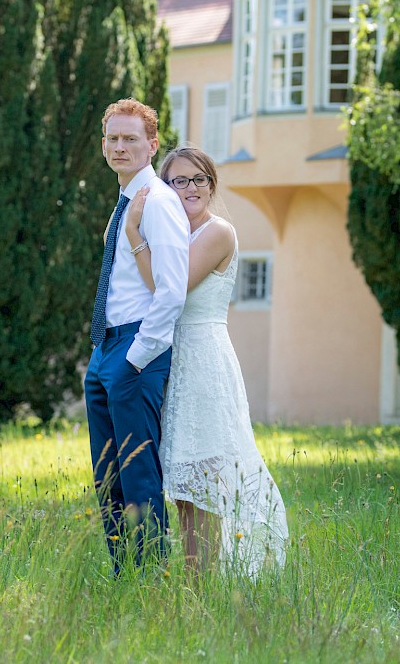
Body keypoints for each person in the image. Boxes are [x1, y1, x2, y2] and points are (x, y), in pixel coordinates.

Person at [124, 145, 289, 577]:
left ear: (211, 186)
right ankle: (192, 580)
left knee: (203, 480)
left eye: (200, 179)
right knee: (180, 481)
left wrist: (135, 237)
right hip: (173, 361)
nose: (191, 188)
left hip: (203, 360)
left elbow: (167, 291)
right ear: (166, 187)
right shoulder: (174, 235)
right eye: (180, 181)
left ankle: (204, 583)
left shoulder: (218, 233)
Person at [85, 99, 190, 575]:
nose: (120, 146)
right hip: (105, 348)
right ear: (103, 144)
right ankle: (122, 572)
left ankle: (150, 578)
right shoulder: (124, 202)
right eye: (113, 138)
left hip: (135, 352)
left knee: (138, 475)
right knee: (108, 479)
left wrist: (135, 359)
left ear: (152, 145)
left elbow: (171, 291)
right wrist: (103, 355)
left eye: (130, 138)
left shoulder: (160, 202)